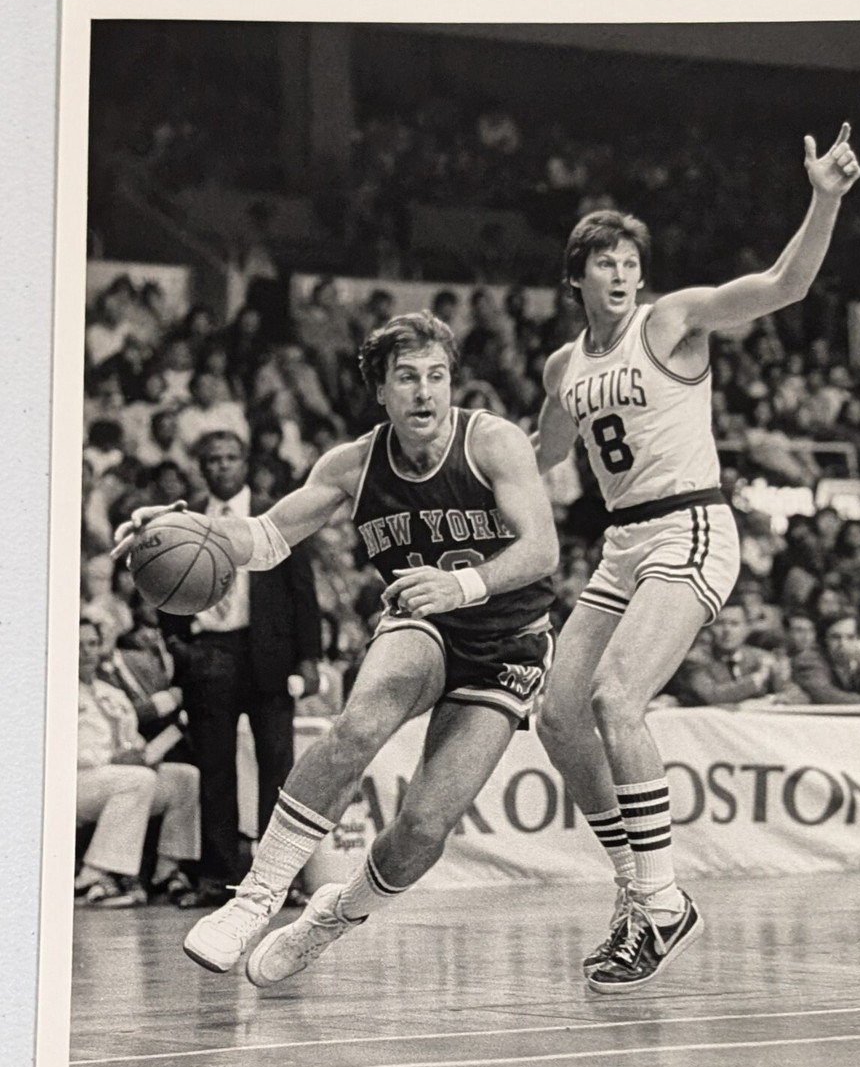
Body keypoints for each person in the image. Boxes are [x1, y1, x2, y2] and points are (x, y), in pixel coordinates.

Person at [114, 311, 558, 984]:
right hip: (422, 622)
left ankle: (332, 916)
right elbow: (263, 538)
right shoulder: (350, 464)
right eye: (406, 377)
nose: (424, 392)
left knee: (421, 832)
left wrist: (461, 583)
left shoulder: (492, 442)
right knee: (359, 722)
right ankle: (253, 900)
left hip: (509, 643)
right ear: (379, 388)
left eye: (436, 376)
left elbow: (542, 550)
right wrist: (183, 524)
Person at [532, 124, 860, 992]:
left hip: (690, 527)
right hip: (620, 543)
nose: (621, 270)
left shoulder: (671, 319)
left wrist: (822, 197)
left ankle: (664, 901)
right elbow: (540, 457)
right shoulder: (562, 364)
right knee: (559, 715)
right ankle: (639, 888)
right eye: (604, 260)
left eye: (629, 257)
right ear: (577, 277)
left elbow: (785, 286)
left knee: (615, 697)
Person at [155, 430, 321, 909]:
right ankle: (218, 878)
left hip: (268, 653)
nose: (222, 466)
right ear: (200, 468)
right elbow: (164, 582)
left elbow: (302, 591)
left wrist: (309, 657)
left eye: (231, 458)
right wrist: (176, 643)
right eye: (213, 460)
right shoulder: (184, 521)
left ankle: (275, 880)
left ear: (245, 463)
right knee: (215, 771)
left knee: (278, 772)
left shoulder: (275, 516)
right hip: (208, 651)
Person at [76, 617, 201, 906]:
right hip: (76, 781)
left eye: (92, 644)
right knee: (137, 779)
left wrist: (146, 756)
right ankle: (92, 876)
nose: (86, 652)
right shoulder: (54, 692)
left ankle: (166, 870)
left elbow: (132, 740)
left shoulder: (113, 695)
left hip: (118, 779)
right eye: (79, 645)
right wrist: (113, 758)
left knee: (184, 777)